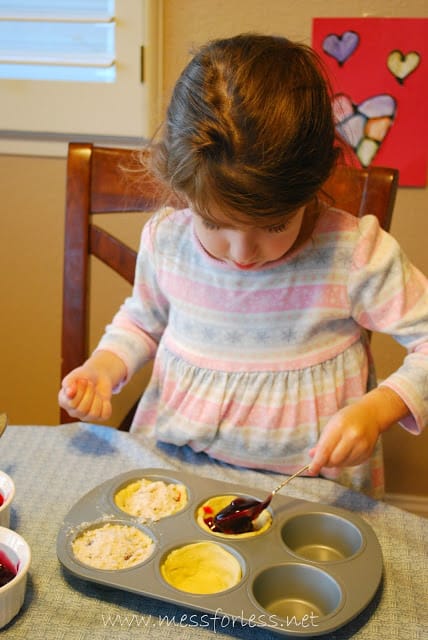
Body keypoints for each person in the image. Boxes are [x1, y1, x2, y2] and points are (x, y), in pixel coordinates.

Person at [59, 34, 428, 498]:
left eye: (273, 226)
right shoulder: (167, 240)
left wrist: (378, 410)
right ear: (180, 185)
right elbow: (142, 320)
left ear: (317, 181)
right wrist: (104, 366)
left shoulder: (352, 254)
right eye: (213, 223)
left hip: (308, 487)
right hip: (178, 472)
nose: (241, 253)